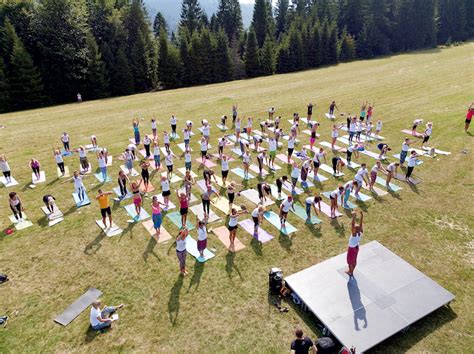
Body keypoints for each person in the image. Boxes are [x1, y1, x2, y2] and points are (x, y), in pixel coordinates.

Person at [346, 211, 364, 277]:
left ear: (355, 230)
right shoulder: (360, 232)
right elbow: (361, 224)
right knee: (354, 260)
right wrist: (362, 215)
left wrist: (354, 216)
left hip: (351, 249)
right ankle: (351, 271)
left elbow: (352, 225)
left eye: (355, 228)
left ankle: (350, 272)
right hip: (356, 248)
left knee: (350, 261)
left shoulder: (354, 234)